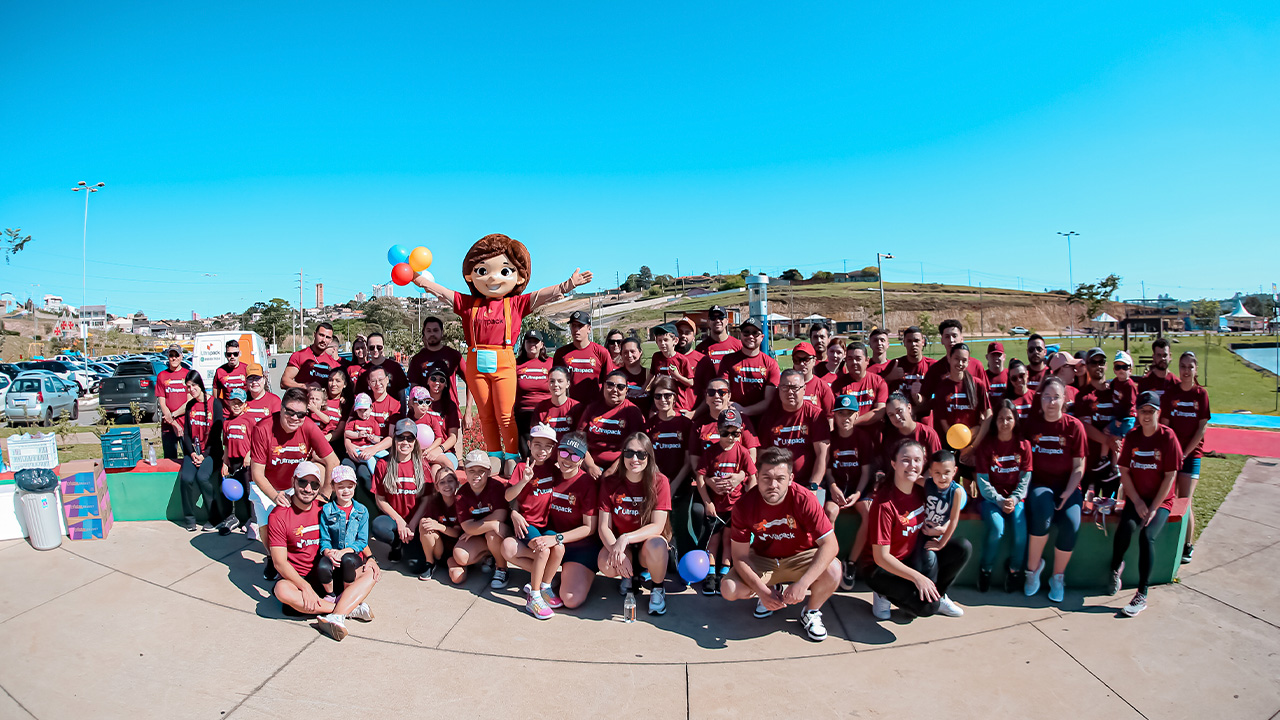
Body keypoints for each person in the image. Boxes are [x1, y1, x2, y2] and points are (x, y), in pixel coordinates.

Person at [719, 447, 841, 642]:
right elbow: (739, 557)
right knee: (729, 588)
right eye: (766, 478)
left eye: (780, 478)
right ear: (757, 477)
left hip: (800, 556)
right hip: (764, 559)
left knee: (834, 570)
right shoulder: (744, 505)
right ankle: (771, 591)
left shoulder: (804, 499)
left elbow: (830, 545)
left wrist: (803, 584)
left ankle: (811, 612)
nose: (773, 484)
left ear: (791, 479)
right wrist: (763, 591)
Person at [268, 462, 376, 642]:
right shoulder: (279, 515)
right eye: (303, 482)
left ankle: (337, 610)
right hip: (299, 579)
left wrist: (370, 557)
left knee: (371, 572)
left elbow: (353, 534)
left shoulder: (325, 508)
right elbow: (279, 562)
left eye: (314, 484)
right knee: (282, 590)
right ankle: (346, 608)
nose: (308, 489)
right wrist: (305, 587)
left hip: (330, 574)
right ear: (293, 481)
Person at [863, 440, 971, 620]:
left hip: (912, 557)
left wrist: (941, 529)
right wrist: (917, 578)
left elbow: (951, 501)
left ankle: (939, 595)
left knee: (962, 548)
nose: (912, 465)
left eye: (917, 460)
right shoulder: (884, 504)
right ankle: (884, 594)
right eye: (905, 460)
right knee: (928, 607)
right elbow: (881, 557)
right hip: (882, 569)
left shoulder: (924, 490)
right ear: (894, 464)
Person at [250, 387, 339, 574]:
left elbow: (333, 461)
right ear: (281, 408)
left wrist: (324, 495)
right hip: (267, 485)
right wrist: (274, 496)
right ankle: (273, 559)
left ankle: (297, 562)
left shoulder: (309, 426)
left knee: (299, 526)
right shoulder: (262, 428)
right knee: (266, 529)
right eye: (289, 412)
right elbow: (257, 473)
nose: (294, 418)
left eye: (300, 414)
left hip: (295, 484)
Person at [1108, 391, 1182, 616]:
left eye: (1151, 411)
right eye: (1142, 411)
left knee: (1146, 535)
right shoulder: (1133, 436)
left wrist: (1153, 508)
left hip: (1161, 500)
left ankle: (1142, 594)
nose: (1147, 415)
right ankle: (1115, 567)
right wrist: (1138, 501)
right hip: (1137, 497)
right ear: (1137, 413)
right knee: (1126, 528)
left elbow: (1170, 477)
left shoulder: (1168, 437)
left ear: (1159, 412)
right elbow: (1124, 471)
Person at [1022, 377, 1089, 602]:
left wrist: (1068, 492)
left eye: (1056, 397)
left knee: (1071, 522)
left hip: (1068, 486)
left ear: (1064, 400)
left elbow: (1079, 466)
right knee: (1043, 511)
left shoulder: (1074, 426)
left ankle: (1057, 577)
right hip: (1040, 484)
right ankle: (1032, 570)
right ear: (1040, 399)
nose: (1051, 402)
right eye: (1047, 397)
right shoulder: (1031, 425)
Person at [598, 432, 674, 616]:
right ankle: (628, 576)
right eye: (629, 453)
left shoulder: (660, 481)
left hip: (647, 543)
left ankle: (657, 588)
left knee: (657, 544)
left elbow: (657, 526)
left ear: (649, 456)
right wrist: (618, 553)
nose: (634, 459)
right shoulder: (610, 482)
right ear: (622, 455)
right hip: (623, 545)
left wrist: (626, 538)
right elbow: (603, 526)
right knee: (605, 564)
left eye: (641, 454)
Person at [501, 424, 563, 618]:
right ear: (529, 445)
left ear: (553, 449)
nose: (542, 450)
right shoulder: (522, 468)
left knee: (559, 547)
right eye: (537, 445)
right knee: (543, 550)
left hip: (546, 524)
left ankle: (545, 586)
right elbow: (508, 496)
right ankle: (533, 597)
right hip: (528, 524)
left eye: (547, 446)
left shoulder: (553, 469)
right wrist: (524, 480)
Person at [695, 407, 757, 594]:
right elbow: (700, 477)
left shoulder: (743, 452)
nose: (730, 437)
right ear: (718, 430)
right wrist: (707, 502)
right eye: (725, 433)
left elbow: (752, 477)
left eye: (735, 433)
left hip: (735, 506)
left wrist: (748, 503)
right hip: (716, 506)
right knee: (713, 540)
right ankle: (710, 573)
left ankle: (724, 571)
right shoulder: (710, 452)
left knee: (728, 539)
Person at [974, 399, 1032, 593]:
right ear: (995, 421)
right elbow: (983, 481)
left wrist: (1013, 499)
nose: (1005, 423)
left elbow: (1025, 479)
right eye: (1000, 418)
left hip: (1015, 499)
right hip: (991, 500)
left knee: (1020, 532)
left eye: (1009, 418)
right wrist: (999, 500)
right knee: (997, 529)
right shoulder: (986, 446)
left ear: (1015, 420)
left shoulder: (1023, 445)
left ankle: (1014, 571)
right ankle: (985, 570)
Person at [538, 432, 601, 610]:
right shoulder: (551, 474)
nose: (568, 459)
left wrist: (557, 538)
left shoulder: (586, 483)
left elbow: (589, 528)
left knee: (571, 599)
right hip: (554, 544)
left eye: (575, 456)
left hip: (580, 547)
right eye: (564, 452)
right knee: (510, 548)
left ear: (581, 460)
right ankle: (552, 575)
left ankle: (567, 575)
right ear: (557, 452)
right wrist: (515, 512)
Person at [823, 394, 877, 589]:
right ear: (835, 416)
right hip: (836, 488)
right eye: (841, 413)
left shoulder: (863, 438)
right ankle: (830, 560)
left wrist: (858, 494)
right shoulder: (830, 439)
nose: (845, 418)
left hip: (858, 488)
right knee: (830, 512)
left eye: (849, 414)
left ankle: (851, 562)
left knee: (869, 513)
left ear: (856, 416)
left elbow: (866, 472)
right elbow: (827, 471)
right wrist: (833, 488)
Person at [1161, 351, 1210, 564]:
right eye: (1183, 366)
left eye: (1190, 367)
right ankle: (1170, 540)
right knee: (1169, 498)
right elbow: (1165, 426)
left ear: (1195, 369)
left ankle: (1187, 545)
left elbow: (1202, 428)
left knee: (1185, 499)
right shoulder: (1171, 394)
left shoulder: (1201, 394)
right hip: (1173, 454)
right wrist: (1174, 451)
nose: (1186, 371)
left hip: (1191, 455)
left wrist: (1186, 453)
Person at [373, 419, 432, 568]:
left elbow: (427, 500)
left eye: (410, 438)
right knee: (378, 526)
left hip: (415, 522)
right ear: (394, 439)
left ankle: (410, 544)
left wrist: (412, 524)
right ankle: (397, 544)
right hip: (394, 520)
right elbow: (380, 499)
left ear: (415, 441)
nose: (405, 442)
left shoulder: (423, 465)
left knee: (416, 567)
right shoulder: (383, 464)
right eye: (401, 437)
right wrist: (400, 521)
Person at [758, 369, 830, 491]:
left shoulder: (815, 416)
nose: (790, 392)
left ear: (804, 389)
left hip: (807, 484)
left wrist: (813, 485)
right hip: (777, 486)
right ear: (779, 389)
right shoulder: (769, 417)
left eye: (794, 388)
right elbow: (762, 456)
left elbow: (823, 455)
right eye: (785, 387)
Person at [916, 450, 968, 614]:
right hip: (922, 534)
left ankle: (939, 596)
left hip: (939, 536)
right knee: (926, 561)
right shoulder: (928, 484)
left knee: (963, 548)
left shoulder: (956, 491)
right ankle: (923, 601)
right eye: (937, 473)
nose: (942, 477)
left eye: (947, 472)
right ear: (931, 472)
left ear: (954, 471)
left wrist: (941, 543)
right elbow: (911, 478)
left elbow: (954, 520)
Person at [450, 450, 512, 588]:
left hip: (500, 533)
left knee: (492, 534)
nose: (476, 475)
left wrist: (476, 528)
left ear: (489, 472)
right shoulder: (461, 495)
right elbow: (467, 527)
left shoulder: (496, 487)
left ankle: (501, 568)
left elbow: (500, 516)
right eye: (471, 470)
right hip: (481, 534)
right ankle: (490, 555)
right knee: (460, 555)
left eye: (481, 471)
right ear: (465, 472)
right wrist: (491, 525)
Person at [930, 343, 992, 474]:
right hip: (951, 444)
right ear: (949, 359)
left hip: (974, 442)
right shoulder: (942, 387)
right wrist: (960, 447)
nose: (960, 363)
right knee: (952, 479)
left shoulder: (977, 384)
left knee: (974, 480)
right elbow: (942, 420)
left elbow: (988, 415)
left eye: (964, 360)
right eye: (956, 359)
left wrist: (972, 447)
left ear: (968, 362)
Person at [318, 466, 375, 599]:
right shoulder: (327, 510)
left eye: (350, 486)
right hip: (333, 553)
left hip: (351, 556)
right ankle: (330, 595)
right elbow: (325, 538)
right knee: (323, 566)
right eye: (341, 487)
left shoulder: (361, 510)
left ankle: (347, 596)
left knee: (348, 559)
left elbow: (362, 540)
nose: (346, 491)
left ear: (355, 486)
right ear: (333, 487)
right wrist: (328, 552)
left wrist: (344, 551)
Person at [576, 369, 646, 478]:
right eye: (610, 385)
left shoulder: (632, 411)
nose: (614, 390)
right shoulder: (592, 408)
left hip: (622, 466)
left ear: (626, 390)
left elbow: (637, 446)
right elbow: (579, 439)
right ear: (604, 386)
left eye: (620, 387)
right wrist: (590, 466)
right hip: (591, 464)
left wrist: (612, 471)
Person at [179, 371, 225, 532]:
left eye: (194, 385)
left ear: (200, 385)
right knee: (186, 479)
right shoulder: (190, 406)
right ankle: (189, 519)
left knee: (202, 477)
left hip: (211, 452)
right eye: (188, 387)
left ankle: (215, 518)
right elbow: (186, 433)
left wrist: (204, 456)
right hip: (193, 452)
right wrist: (192, 453)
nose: (191, 389)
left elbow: (217, 434)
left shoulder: (215, 404)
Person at [1074, 347, 1121, 499]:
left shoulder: (1115, 391)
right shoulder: (1083, 396)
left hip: (1112, 463)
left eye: (1101, 362)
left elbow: (1126, 417)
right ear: (1087, 366)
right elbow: (1085, 427)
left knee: (1110, 504)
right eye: (1093, 363)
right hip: (1091, 462)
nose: (1098, 366)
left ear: (1106, 365)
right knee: (1086, 505)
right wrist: (1109, 441)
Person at [920, 319, 989, 417]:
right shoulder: (935, 369)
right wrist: (916, 396)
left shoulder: (976, 365)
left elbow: (985, 396)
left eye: (954, 336)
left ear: (961, 338)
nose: (951, 340)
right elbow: (925, 399)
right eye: (947, 337)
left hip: (972, 423)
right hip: (945, 423)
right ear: (942, 340)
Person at [718, 318, 780, 418]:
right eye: (746, 333)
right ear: (740, 335)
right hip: (734, 416)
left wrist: (744, 410)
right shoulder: (728, 360)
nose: (750, 336)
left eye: (755, 333)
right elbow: (723, 391)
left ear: (762, 337)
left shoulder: (771, 364)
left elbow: (769, 401)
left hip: (761, 418)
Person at [552, 310, 614, 405]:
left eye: (580, 326)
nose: (576, 329)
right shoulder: (561, 353)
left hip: (594, 406)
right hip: (569, 407)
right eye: (574, 326)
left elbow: (609, 381)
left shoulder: (601, 352)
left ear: (589, 329)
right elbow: (554, 381)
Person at [647, 377, 695, 498]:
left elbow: (688, 462)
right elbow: (648, 459)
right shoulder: (648, 426)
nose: (662, 400)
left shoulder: (686, 424)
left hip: (681, 485)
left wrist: (673, 486)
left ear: (675, 397)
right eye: (658, 396)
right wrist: (660, 482)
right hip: (655, 484)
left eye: (667, 396)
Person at [407, 316, 464, 409]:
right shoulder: (417, 359)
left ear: (442, 332)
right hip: (426, 411)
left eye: (435, 330)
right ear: (424, 333)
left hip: (450, 412)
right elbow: (414, 388)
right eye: (429, 331)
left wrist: (468, 411)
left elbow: (470, 381)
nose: (432, 334)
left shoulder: (454, 355)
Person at [417, 467, 462, 581]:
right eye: (442, 482)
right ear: (437, 487)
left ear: (457, 483)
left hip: (457, 551)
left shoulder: (461, 503)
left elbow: (457, 533)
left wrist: (439, 526)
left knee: (457, 578)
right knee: (424, 523)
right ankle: (430, 562)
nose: (446, 485)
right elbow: (426, 525)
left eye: (450, 481)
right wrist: (433, 525)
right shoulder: (434, 502)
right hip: (439, 548)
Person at [221, 389, 255, 537]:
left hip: (246, 462)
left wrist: (248, 455)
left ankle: (252, 520)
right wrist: (225, 462)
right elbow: (227, 444)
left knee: (248, 491)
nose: (236, 406)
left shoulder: (249, 420)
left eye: (239, 403)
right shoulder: (227, 422)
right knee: (228, 491)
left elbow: (255, 441)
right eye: (233, 402)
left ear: (244, 405)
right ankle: (231, 518)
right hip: (233, 461)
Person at [513, 329, 552, 457]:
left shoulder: (550, 363)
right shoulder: (516, 364)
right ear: (524, 344)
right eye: (529, 341)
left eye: (536, 342)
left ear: (542, 345)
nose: (532, 345)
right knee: (527, 454)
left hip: (546, 412)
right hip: (524, 413)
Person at [830, 342, 888, 427]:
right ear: (846, 361)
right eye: (850, 359)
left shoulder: (878, 381)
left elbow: (880, 411)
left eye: (858, 359)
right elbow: (833, 414)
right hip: (847, 433)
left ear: (867, 360)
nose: (854, 362)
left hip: (871, 433)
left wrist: (852, 422)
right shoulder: (837, 385)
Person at [341, 393, 386, 491]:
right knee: (370, 459)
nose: (363, 413)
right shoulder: (353, 421)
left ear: (371, 408)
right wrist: (358, 435)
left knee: (385, 454)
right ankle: (377, 476)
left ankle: (388, 473)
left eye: (365, 410)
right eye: (359, 410)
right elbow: (347, 433)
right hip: (357, 449)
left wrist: (373, 439)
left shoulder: (373, 422)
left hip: (369, 447)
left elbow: (378, 438)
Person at [878, 326, 932, 407]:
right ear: (904, 343)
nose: (913, 344)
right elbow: (878, 389)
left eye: (916, 341)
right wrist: (889, 378)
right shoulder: (895, 364)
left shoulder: (932, 365)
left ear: (923, 342)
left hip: (924, 411)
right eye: (909, 341)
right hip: (899, 411)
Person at [648, 324, 697, 412]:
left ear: (675, 341)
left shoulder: (682, 360)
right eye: (659, 340)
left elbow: (691, 382)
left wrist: (677, 376)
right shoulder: (656, 357)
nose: (662, 343)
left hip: (677, 403)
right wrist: (643, 389)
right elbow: (652, 374)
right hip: (660, 402)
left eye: (666, 340)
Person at [1107, 350, 1140, 471]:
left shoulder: (1129, 385)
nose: (1121, 370)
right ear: (1114, 369)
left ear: (1130, 370)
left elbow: (1129, 405)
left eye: (1124, 367)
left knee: (1117, 440)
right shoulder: (1115, 382)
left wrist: (1119, 420)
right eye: (1118, 367)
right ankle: (1105, 460)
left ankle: (1117, 467)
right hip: (1117, 416)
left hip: (1126, 418)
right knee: (1108, 435)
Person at [282, 322, 340, 389]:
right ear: (314, 335)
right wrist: (304, 387)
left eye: (327, 337)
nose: (324, 340)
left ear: (330, 340)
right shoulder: (299, 356)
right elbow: (284, 382)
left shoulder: (334, 364)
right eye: (321, 335)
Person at [356, 332, 409, 403]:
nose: (375, 350)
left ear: (383, 347)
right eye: (372, 347)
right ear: (367, 348)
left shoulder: (395, 367)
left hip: (393, 409)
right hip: (371, 409)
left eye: (379, 347)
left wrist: (402, 410)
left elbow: (402, 396)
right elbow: (360, 397)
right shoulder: (363, 371)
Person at [156, 347, 188, 461]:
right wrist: (172, 421)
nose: (174, 358)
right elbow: (162, 402)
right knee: (169, 459)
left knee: (190, 457)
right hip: (168, 425)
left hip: (185, 424)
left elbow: (189, 402)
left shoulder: (188, 374)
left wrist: (173, 415)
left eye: (176, 355)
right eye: (171, 355)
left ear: (181, 356)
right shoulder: (162, 376)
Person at [533, 366, 583, 441]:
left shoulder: (576, 407)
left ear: (568, 384)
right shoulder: (540, 408)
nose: (555, 384)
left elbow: (580, 436)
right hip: (548, 447)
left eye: (560, 381)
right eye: (552, 381)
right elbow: (536, 437)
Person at [790, 342, 834, 417]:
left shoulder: (823, 387)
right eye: (797, 359)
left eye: (806, 359)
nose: (802, 363)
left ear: (814, 361)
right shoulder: (786, 386)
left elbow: (830, 417)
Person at [694, 305, 742, 374]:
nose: (717, 320)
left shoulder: (738, 346)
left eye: (721, 317)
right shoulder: (701, 348)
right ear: (708, 322)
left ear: (727, 321)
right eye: (713, 318)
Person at [364, 365, 403, 437]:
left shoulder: (395, 405)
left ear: (387, 380)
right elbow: (348, 428)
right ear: (369, 383)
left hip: (383, 442)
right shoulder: (362, 400)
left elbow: (391, 437)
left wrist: (376, 444)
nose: (378, 384)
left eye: (380, 380)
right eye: (373, 381)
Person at [213, 339, 248, 417]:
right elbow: (215, 397)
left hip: (244, 414)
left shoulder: (246, 369)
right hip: (226, 415)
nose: (232, 357)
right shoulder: (220, 371)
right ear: (225, 355)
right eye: (229, 354)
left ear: (240, 354)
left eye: (235, 354)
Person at [1137, 337, 1178, 402]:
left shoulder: (1176, 383)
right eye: (1159, 355)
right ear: (1153, 357)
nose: (1162, 358)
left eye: (1165, 355)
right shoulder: (1144, 382)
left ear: (1170, 356)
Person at [617, 337, 651, 413]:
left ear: (640, 352)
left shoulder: (650, 374)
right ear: (621, 354)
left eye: (632, 351)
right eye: (625, 352)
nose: (629, 355)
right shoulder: (616, 376)